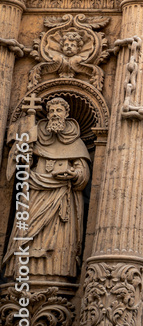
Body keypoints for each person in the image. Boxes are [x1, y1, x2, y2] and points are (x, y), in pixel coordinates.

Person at [4, 97, 90, 280]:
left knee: (58, 236)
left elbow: (83, 171)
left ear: (67, 114)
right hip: (35, 189)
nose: (55, 114)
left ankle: (57, 271)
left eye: (59, 111)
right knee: (26, 230)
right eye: (52, 111)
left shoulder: (76, 143)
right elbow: (20, 162)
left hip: (61, 195)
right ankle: (20, 270)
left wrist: (73, 174)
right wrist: (23, 157)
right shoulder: (35, 137)